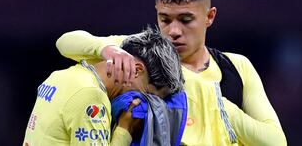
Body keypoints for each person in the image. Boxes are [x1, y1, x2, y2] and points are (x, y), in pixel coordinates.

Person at [55, 0, 287, 145]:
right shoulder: (139, 52)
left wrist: (214, 103)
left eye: (186, 20)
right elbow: (65, 42)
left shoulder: (236, 66)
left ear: (209, 16)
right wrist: (107, 49)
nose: (173, 31)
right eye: (165, 19)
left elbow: (276, 141)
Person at [23, 28, 185, 146]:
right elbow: (64, 41)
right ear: (136, 70)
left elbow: (64, 40)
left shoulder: (66, 75)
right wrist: (124, 130)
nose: (142, 104)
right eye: (147, 95)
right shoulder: (92, 98)